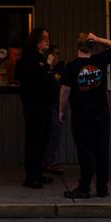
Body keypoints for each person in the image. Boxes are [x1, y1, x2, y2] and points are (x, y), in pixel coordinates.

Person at [58, 31, 111, 199]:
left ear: (78, 46)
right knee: (102, 151)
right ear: (92, 46)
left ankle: (84, 188)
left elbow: (65, 90)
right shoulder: (100, 60)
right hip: (101, 114)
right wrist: (99, 39)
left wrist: (61, 110)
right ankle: (102, 188)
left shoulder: (71, 67)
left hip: (82, 115)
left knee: (86, 152)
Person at [16, 28, 58, 188]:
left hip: (45, 104)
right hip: (35, 105)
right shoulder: (29, 57)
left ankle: (38, 173)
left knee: (43, 140)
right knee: (34, 141)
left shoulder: (40, 56)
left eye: (48, 38)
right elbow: (34, 77)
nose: (47, 41)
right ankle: (31, 177)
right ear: (36, 40)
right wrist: (47, 65)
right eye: (44, 38)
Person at [42, 44, 64, 175]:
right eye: (55, 53)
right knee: (48, 134)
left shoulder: (60, 69)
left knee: (55, 134)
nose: (57, 56)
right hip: (46, 105)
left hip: (57, 105)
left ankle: (48, 161)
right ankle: (47, 162)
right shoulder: (45, 70)